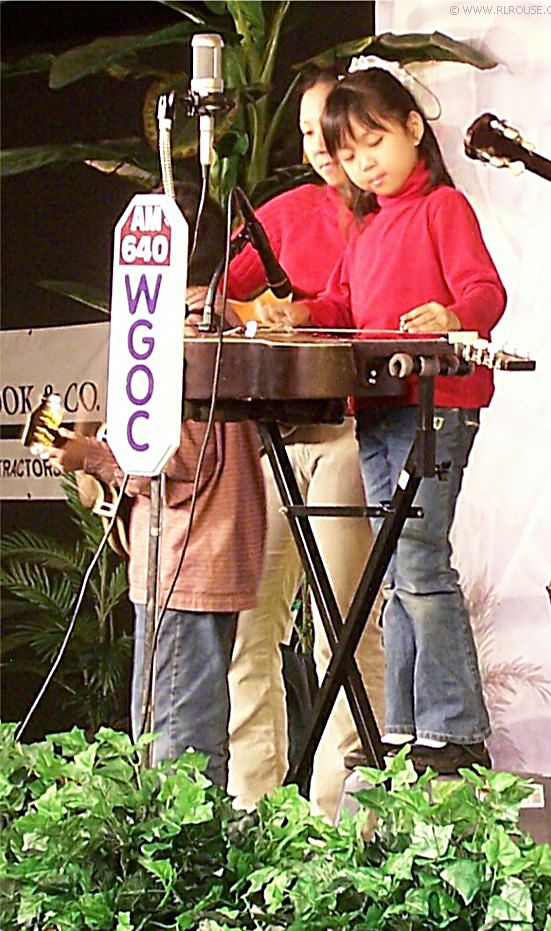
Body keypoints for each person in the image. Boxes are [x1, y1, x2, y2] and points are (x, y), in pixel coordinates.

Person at [258, 65, 507, 775]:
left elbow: (484, 291)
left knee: (422, 564)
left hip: (435, 406)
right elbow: (343, 305)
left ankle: (452, 729)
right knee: (396, 573)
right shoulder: (364, 223)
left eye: (374, 141)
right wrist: (301, 313)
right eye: (351, 154)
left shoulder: (441, 210)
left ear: (411, 127)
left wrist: (452, 316)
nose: (365, 162)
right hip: (377, 411)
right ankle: (403, 726)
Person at [47, 182, 267, 788]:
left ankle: (190, 871)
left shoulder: (186, 331)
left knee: (177, 742)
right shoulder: (209, 320)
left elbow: (178, 460)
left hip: (188, 561)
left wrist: (92, 456)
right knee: (175, 726)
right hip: (195, 557)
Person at [225, 66, 385, 820]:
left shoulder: (386, 217)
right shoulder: (282, 212)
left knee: (345, 629)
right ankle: (251, 805)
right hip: (265, 443)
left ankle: (338, 811)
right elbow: (214, 297)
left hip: (348, 435)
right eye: (310, 133)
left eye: (335, 130)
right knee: (250, 624)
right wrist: (255, 309)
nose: (322, 147)